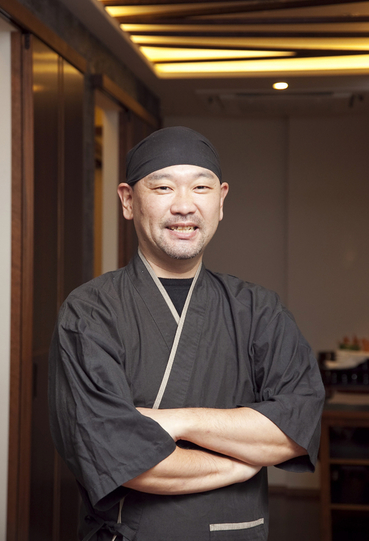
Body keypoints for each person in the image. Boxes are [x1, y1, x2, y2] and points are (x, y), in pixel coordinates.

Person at [49, 126, 325, 541]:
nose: (184, 206)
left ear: (221, 200)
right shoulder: (89, 313)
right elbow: (118, 455)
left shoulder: (258, 310)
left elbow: (295, 429)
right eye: (162, 186)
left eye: (201, 187)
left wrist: (174, 422)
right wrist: (240, 463)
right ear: (127, 200)